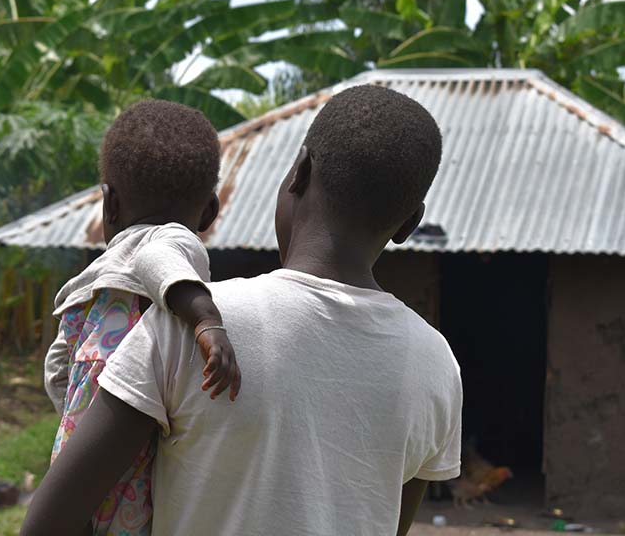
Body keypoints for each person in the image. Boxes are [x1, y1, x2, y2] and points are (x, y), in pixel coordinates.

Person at [23, 85, 462, 536]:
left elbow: (47, 523)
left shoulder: (192, 326)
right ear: (410, 224)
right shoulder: (438, 366)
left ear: (299, 171)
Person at [42, 99, 242, 535]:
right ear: (209, 211)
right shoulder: (173, 238)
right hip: (128, 421)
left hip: (89, 422)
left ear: (108, 203)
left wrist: (70, 420)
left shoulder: (123, 260)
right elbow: (157, 258)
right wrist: (206, 321)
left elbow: (60, 361)